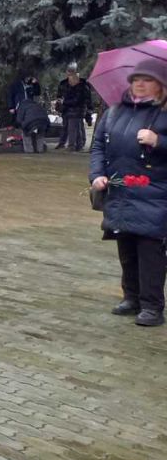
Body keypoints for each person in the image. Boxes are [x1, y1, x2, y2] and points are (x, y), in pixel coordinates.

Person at [89, 60, 167, 328]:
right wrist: (96, 175)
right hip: (121, 192)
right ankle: (131, 298)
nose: (140, 84)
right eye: (136, 79)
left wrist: (160, 142)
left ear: (161, 84)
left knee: (150, 252)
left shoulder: (164, 113)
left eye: (148, 79)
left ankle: (152, 307)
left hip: (155, 194)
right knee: (127, 249)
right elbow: (98, 144)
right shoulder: (114, 112)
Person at [55, 62, 94, 151]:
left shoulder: (82, 84)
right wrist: (59, 104)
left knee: (75, 126)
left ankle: (76, 145)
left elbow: (85, 98)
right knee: (68, 126)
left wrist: (89, 110)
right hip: (68, 109)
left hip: (77, 108)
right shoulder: (64, 83)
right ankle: (70, 144)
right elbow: (59, 96)